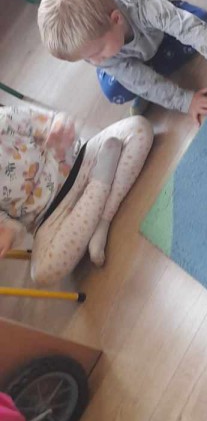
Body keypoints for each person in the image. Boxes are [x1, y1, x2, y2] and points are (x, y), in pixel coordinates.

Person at [37, 0, 207, 121]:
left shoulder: (143, 6)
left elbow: (190, 29)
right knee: (116, 90)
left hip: (160, 28)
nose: (96, 61)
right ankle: (153, 86)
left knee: (203, 24)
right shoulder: (100, 54)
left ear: (116, 19)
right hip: (134, 56)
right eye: (87, 59)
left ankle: (154, 81)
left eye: (97, 52)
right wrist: (186, 101)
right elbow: (137, 79)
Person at [0, 100, 152, 285]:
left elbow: (56, 120)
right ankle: (103, 188)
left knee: (139, 128)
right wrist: (10, 232)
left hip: (82, 162)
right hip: (50, 218)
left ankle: (102, 220)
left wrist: (62, 127)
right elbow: (9, 224)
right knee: (42, 273)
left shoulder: (6, 119)